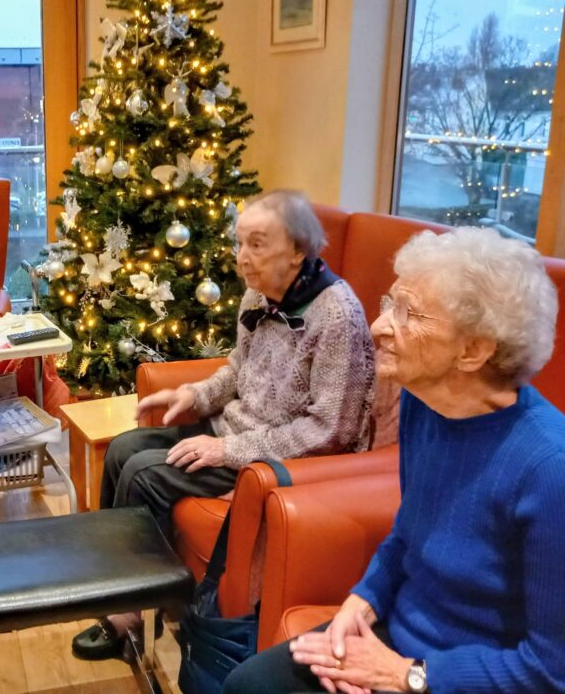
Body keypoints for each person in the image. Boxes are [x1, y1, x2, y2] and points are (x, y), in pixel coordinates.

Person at [224, 228, 565, 694]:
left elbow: (551, 670)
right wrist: (361, 601)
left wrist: (407, 675)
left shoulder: (549, 468)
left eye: (408, 314)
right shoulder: (425, 404)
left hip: (468, 677)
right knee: (249, 685)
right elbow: (409, 533)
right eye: (389, 303)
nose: (379, 325)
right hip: (396, 643)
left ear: (474, 350)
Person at [73, 189, 376, 660]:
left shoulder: (337, 315)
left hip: (274, 456)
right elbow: (237, 368)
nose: (242, 258)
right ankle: (113, 585)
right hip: (231, 429)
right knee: (122, 449)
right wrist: (194, 395)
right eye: (240, 244)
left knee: (145, 473)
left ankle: (129, 617)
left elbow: (330, 430)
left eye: (258, 244)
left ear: (298, 249)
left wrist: (229, 451)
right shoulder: (260, 294)